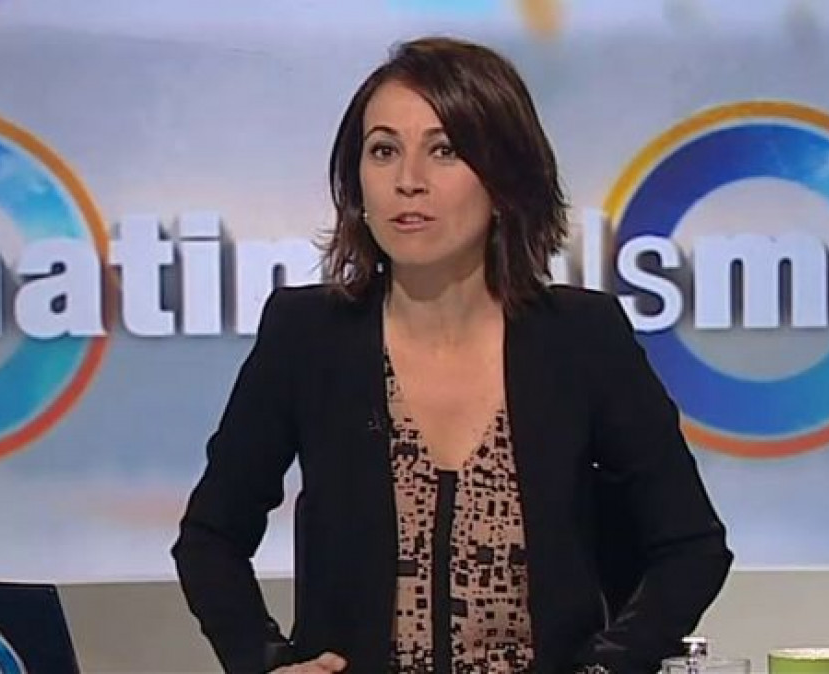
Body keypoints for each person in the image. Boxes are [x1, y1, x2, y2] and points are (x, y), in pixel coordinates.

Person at [172, 36, 732, 674]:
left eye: (445, 150)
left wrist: (607, 665)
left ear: (505, 178)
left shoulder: (582, 338)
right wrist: (267, 661)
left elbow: (691, 546)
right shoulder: (308, 336)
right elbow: (210, 538)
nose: (408, 181)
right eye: (383, 151)